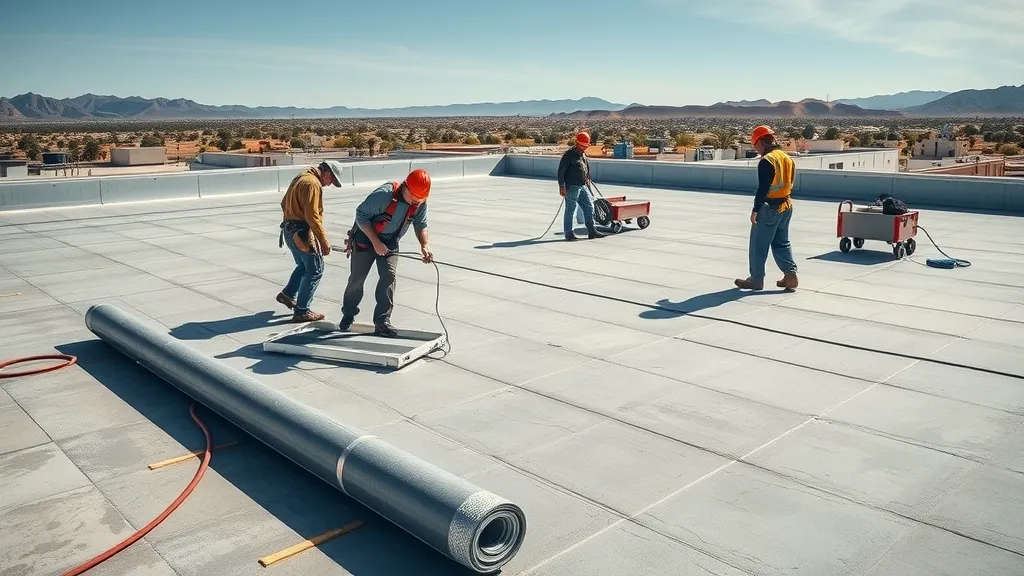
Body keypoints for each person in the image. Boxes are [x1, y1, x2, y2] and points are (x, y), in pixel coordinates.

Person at [340, 168, 433, 336]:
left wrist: (424, 245)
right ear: (406, 187)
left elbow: (421, 224)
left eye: (420, 199)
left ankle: (382, 320)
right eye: (414, 198)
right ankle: (348, 313)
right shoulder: (384, 195)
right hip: (365, 237)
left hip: (390, 240)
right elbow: (361, 215)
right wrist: (375, 243)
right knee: (357, 279)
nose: (416, 202)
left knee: (389, 276)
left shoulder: (419, 201)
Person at [275, 160, 345, 322]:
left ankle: (287, 294)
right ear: (327, 173)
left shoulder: (301, 177)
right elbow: (312, 217)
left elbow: (283, 203)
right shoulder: (313, 184)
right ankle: (302, 311)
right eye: (332, 180)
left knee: (304, 266)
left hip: (289, 230)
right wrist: (323, 241)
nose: (330, 184)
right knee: (315, 269)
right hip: (302, 233)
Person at [735, 125, 799, 291]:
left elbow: (763, 188)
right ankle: (790, 276)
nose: (755, 148)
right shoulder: (786, 158)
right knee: (781, 242)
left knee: (758, 245)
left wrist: (755, 209)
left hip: (770, 208)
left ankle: (756, 280)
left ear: (762, 142)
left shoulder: (767, 160)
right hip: (786, 206)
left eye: (755, 144)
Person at [557, 131, 605, 241]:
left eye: (586, 146)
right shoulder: (568, 155)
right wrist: (561, 186)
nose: (585, 148)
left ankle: (592, 231)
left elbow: (585, 167)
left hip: (583, 186)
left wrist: (587, 178)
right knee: (570, 210)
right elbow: (561, 171)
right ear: (577, 143)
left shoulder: (582, 154)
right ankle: (569, 234)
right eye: (583, 145)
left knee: (589, 207)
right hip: (571, 187)